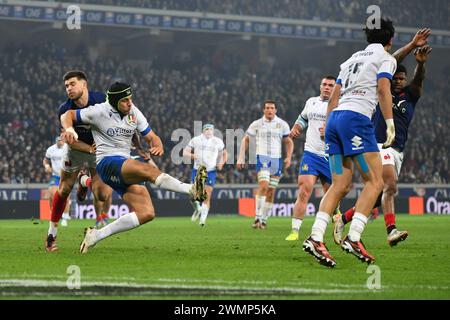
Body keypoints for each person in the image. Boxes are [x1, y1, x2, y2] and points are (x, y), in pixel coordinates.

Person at [60, 82, 207, 253]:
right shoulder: (98, 111)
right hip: (107, 162)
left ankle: (96, 236)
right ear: (114, 102)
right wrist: (70, 129)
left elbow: (152, 136)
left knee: (146, 213)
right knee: (148, 171)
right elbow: (67, 115)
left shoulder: (133, 111)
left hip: (124, 164)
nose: (129, 103)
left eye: (130, 99)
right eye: (125, 100)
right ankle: (192, 190)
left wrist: (156, 144)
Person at [302, 18, 397, 267]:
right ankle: (354, 237)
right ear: (390, 39)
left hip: (335, 120)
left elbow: (335, 95)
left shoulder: (352, 58)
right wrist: (389, 122)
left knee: (341, 184)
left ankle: (315, 237)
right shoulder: (386, 58)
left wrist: (331, 125)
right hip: (356, 119)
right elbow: (383, 89)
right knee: (376, 181)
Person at [334, 29, 432, 247]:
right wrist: (411, 46)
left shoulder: (410, 95)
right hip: (379, 145)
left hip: (397, 150)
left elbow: (418, 81)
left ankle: (345, 218)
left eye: (401, 79)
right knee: (389, 184)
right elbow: (390, 60)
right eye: (395, 77)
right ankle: (391, 230)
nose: (397, 81)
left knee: (380, 193)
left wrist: (421, 64)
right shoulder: (381, 94)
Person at [45, 70, 112, 252]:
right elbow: (72, 143)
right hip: (78, 150)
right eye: (66, 86)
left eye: (73, 84)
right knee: (65, 188)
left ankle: (84, 181)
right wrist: (90, 148)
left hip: (100, 151)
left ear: (84, 84)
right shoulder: (64, 109)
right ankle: (51, 235)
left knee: (102, 195)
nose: (69, 88)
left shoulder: (103, 101)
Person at [285, 76, 340, 241]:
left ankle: (337, 220)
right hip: (311, 154)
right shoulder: (311, 102)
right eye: (324, 84)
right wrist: (296, 127)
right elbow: (303, 118)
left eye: (331, 85)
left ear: (336, 88)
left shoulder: (340, 104)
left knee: (333, 196)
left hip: (333, 155)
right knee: (304, 190)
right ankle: (295, 231)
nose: (327, 87)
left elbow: (346, 129)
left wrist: (330, 131)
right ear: (320, 86)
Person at [237, 100, 293, 229]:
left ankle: (264, 220)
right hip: (262, 157)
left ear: (276, 110)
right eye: (267, 108)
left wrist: (289, 157)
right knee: (263, 185)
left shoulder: (282, 124)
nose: (269, 110)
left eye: (272, 108)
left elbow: (288, 141)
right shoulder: (256, 124)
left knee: (271, 191)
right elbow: (246, 139)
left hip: (277, 160)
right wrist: (241, 157)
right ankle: (257, 217)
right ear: (263, 110)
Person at [183, 124, 227, 226]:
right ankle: (197, 209)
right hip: (198, 170)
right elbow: (185, 152)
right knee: (193, 195)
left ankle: (202, 221)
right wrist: (193, 155)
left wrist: (221, 163)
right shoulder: (196, 140)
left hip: (211, 171)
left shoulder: (218, 141)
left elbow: (225, 153)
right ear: (203, 131)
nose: (209, 131)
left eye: (211, 129)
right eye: (207, 129)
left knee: (207, 194)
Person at [43, 137, 70, 229]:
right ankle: (53, 215)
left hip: (65, 175)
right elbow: (46, 160)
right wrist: (47, 166)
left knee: (66, 196)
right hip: (55, 175)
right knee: (51, 194)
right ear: (56, 141)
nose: (61, 142)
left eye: (62, 140)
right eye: (59, 140)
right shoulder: (50, 149)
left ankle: (65, 218)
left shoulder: (68, 147)